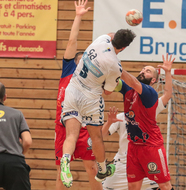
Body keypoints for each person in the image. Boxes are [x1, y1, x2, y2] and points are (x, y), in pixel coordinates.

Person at [60, 12, 136, 187]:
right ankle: (102, 169)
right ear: (124, 48)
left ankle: (65, 159)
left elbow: (110, 35)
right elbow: (108, 92)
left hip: (73, 89)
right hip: (91, 98)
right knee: (96, 137)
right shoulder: (115, 66)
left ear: (113, 37)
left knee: (71, 134)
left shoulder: (101, 39)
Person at [102, 54, 173, 190]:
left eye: (148, 71)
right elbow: (112, 86)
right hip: (133, 147)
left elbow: (134, 82)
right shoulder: (129, 89)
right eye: (142, 69)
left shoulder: (149, 92)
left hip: (150, 145)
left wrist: (115, 65)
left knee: (164, 185)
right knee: (133, 186)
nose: (143, 71)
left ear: (153, 80)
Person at [55, 1, 103, 189]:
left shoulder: (92, 78)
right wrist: (78, 16)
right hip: (64, 125)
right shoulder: (68, 70)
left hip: (85, 125)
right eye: (80, 58)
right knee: (61, 173)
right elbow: (71, 42)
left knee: (93, 169)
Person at [0, 82, 32, 190]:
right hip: (14, 162)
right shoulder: (17, 114)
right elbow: (27, 141)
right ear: (5, 97)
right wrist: (17, 154)